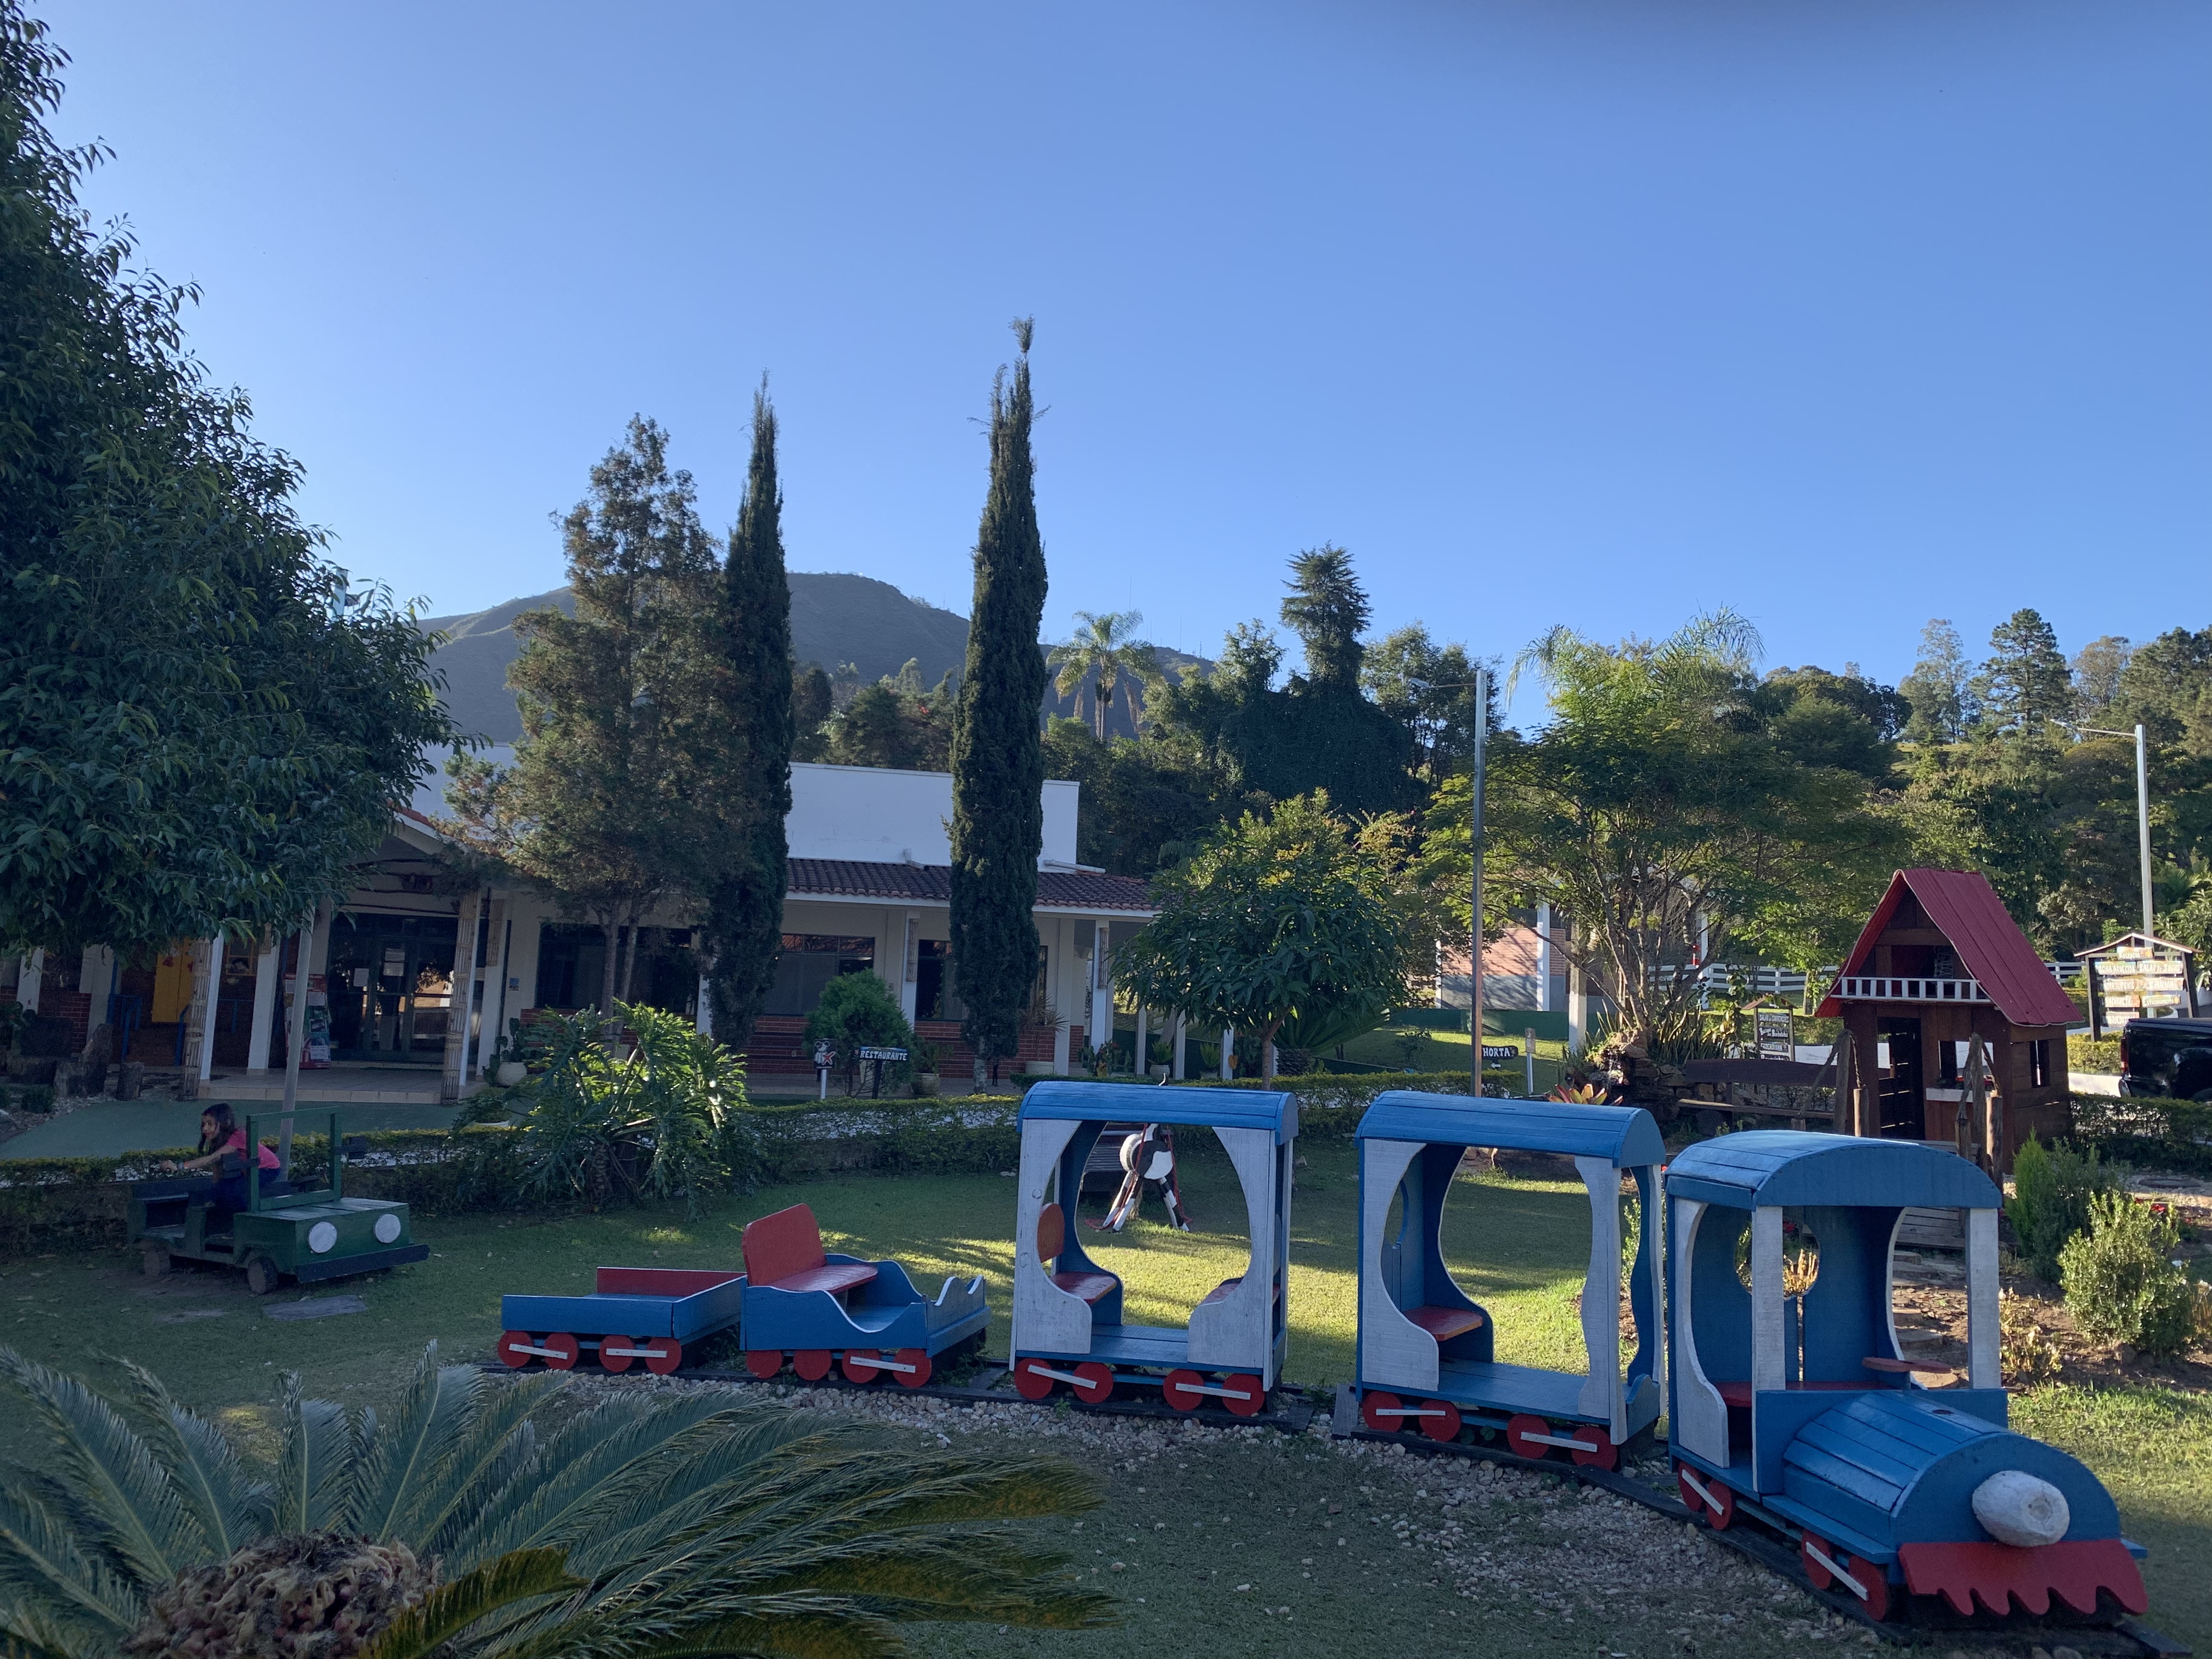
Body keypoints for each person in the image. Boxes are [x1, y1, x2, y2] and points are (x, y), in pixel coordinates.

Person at [156, 1104, 281, 1217]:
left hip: (268, 1170)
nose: (205, 1129)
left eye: (210, 1124)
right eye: (204, 1124)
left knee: (233, 1195)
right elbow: (217, 1171)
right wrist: (214, 1193)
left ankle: (246, 1223)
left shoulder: (239, 1136)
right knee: (217, 1192)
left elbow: (213, 1158)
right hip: (248, 1171)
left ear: (223, 1124)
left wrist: (179, 1167)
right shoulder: (219, 1140)